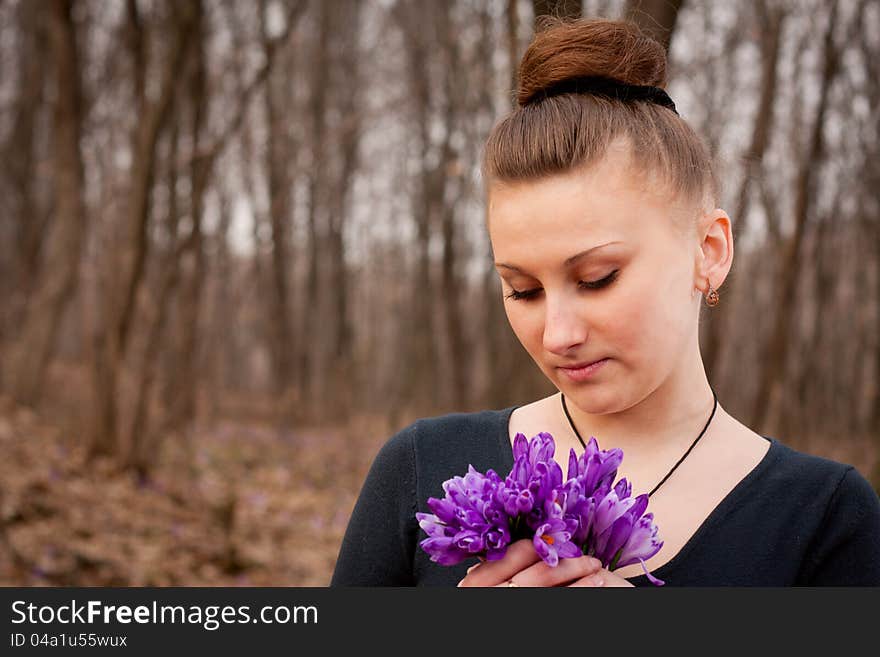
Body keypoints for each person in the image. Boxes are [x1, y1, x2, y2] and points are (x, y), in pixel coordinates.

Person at [330, 17, 880, 587]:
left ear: (709, 250)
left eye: (597, 278)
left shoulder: (825, 517)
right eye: (523, 290)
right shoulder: (424, 469)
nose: (557, 335)